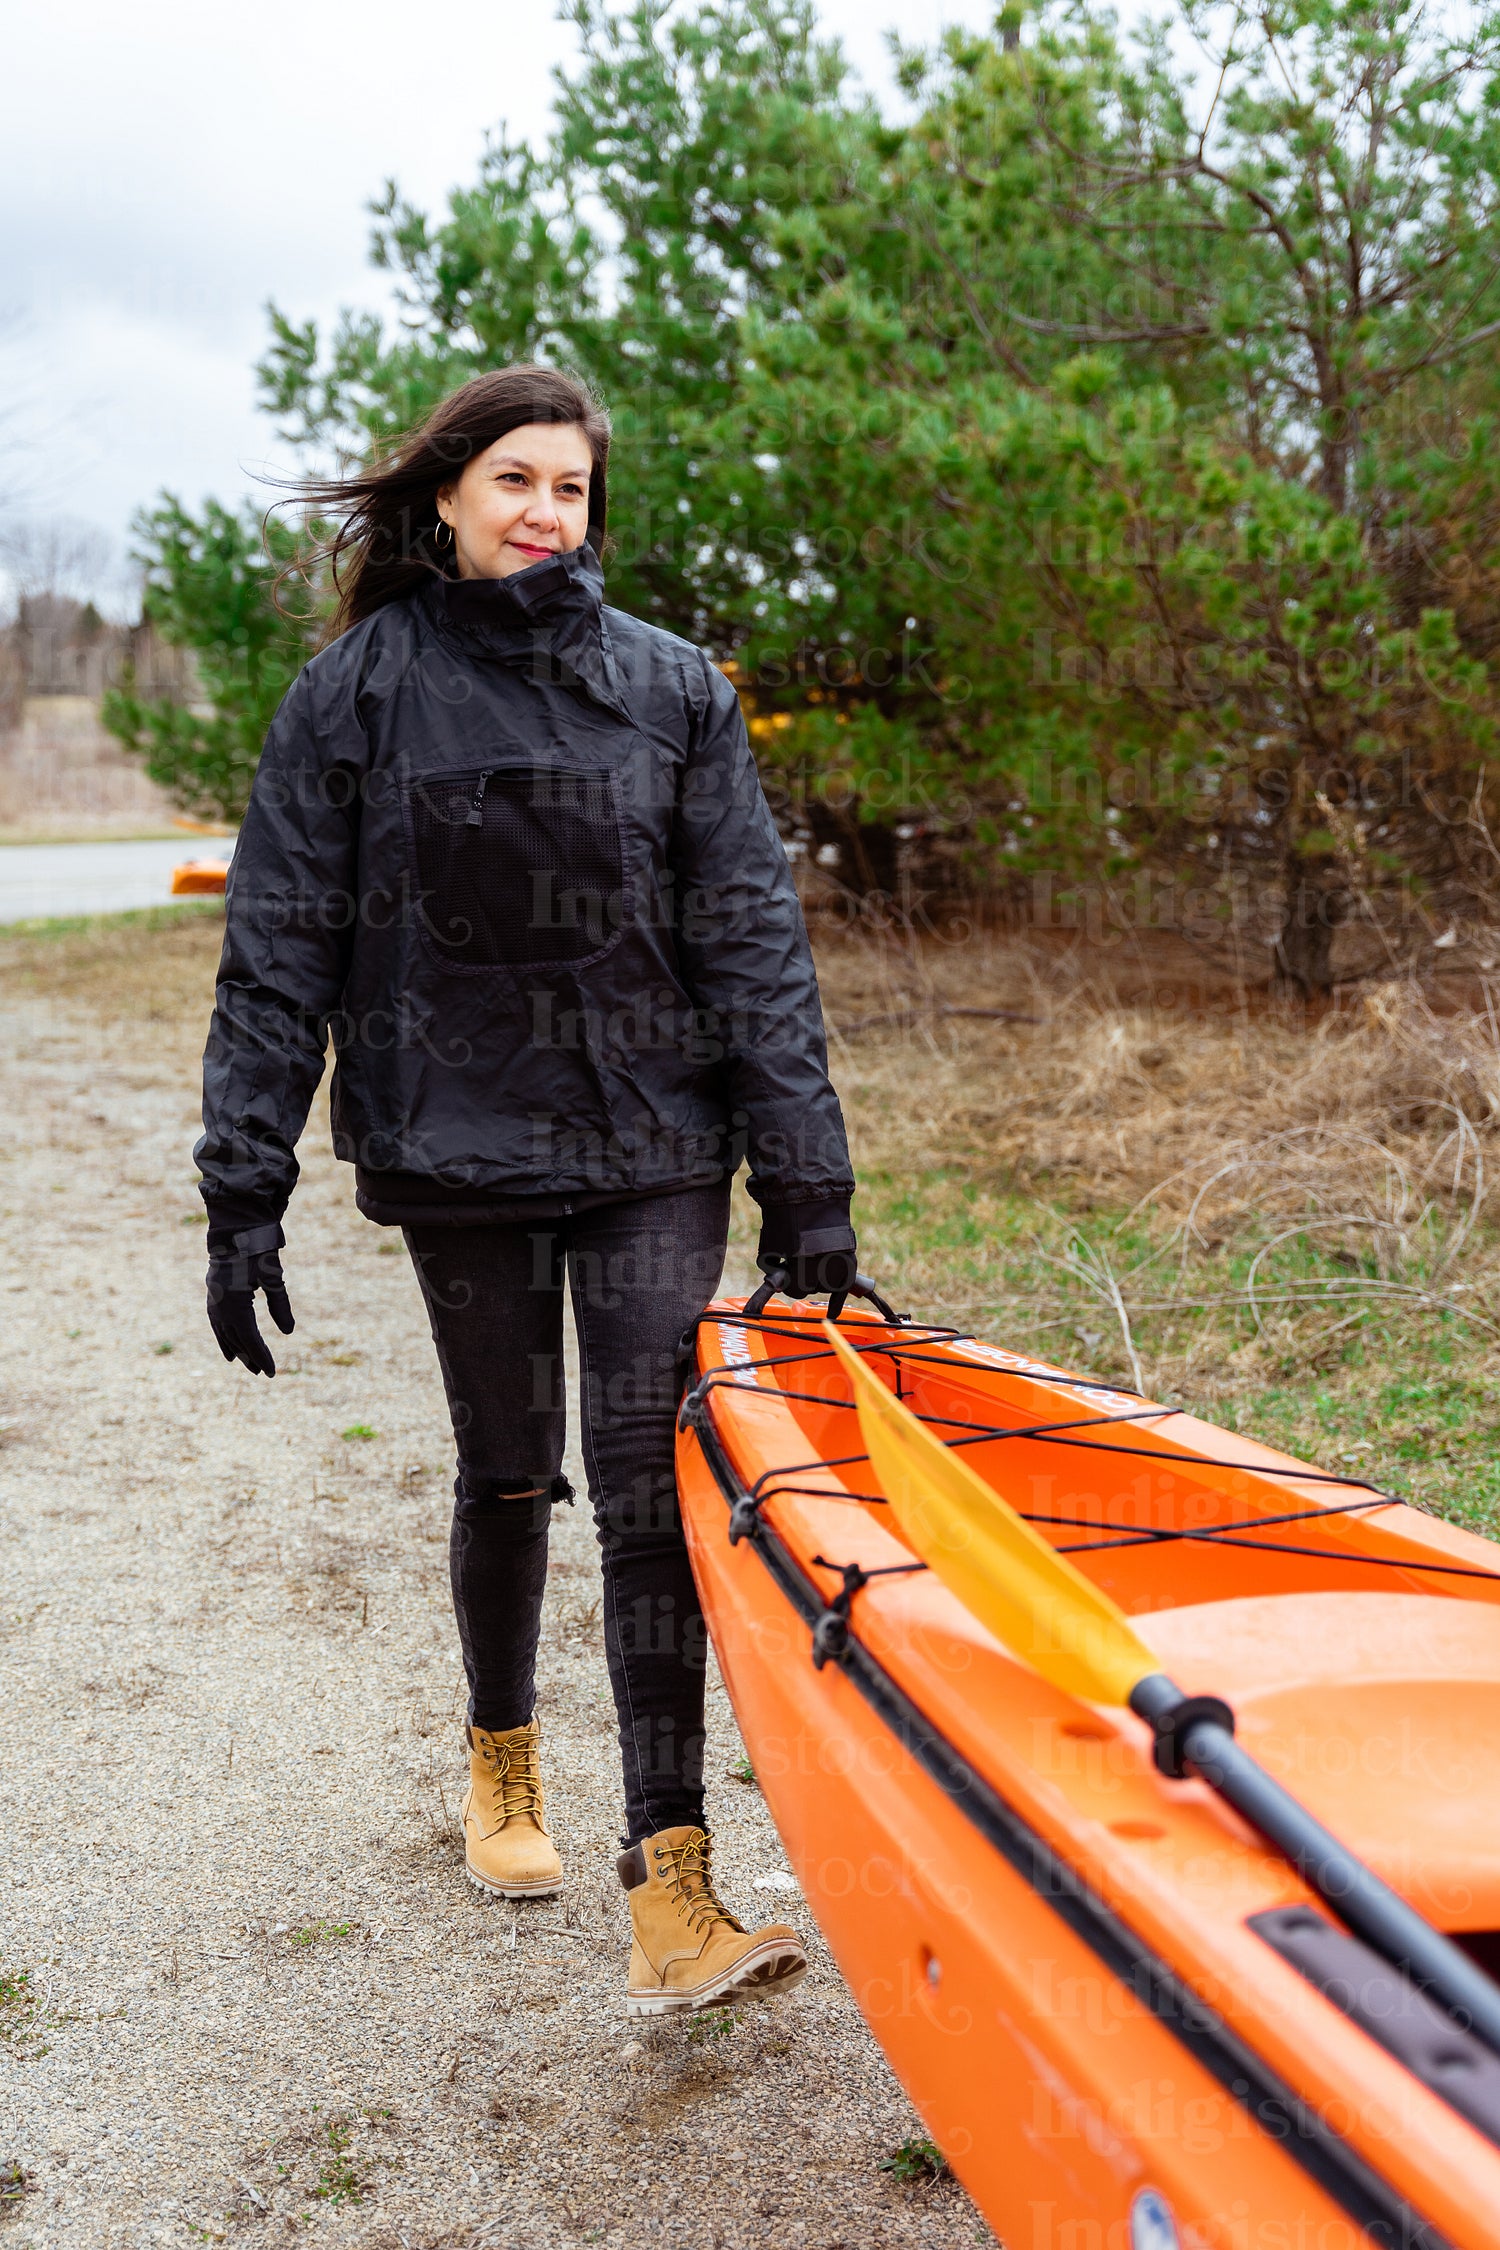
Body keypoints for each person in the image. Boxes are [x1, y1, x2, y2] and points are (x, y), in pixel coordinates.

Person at [195, 365, 858, 2018]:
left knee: (651, 1498)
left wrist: (809, 1183)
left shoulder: (672, 693)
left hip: (651, 1144)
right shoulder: (352, 695)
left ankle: (676, 1881)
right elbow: (279, 947)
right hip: (458, 1147)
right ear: (443, 498)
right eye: (516, 479)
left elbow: (752, 947)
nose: (546, 512)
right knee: (509, 1474)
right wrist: (242, 1181)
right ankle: (500, 1762)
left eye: (571, 487)